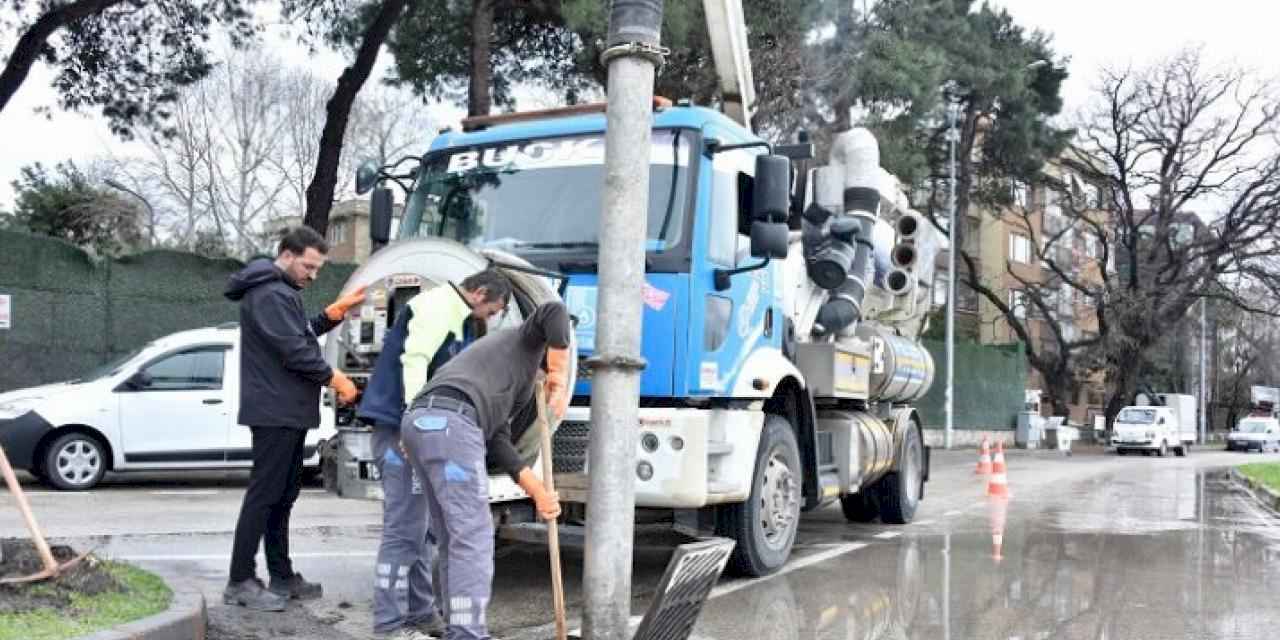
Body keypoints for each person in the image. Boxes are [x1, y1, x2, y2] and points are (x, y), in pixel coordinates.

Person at [400, 302, 573, 640]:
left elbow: (498, 441)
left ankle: (459, 627)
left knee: (454, 537)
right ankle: (467, 633)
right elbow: (553, 310)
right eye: (559, 348)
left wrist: (538, 491)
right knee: (473, 537)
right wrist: (559, 374)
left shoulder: (511, 380)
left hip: (420, 424)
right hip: (453, 424)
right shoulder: (525, 339)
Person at [356, 270, 512, 639]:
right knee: (404, 530)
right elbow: (415, 360)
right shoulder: (437, 306)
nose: (490, 317)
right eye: (493, 309)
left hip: (408, 429)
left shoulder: (456, 316)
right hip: (400, 431)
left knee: (420, 529)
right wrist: (414, 420)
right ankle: (390, 625)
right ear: (480, 293)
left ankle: (421, 613)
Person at [222, 226, 366, 612]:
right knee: (264, 495)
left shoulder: (281, 292)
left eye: (317, 268)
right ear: (286, 255)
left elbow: (297, 335)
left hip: (287, 410)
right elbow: (294, 352)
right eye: (308, 266)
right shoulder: (269, 293)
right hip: (274, 412)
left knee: (283, 496)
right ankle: (240, 580)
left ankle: (281, 576)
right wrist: (334, 378)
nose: (312, 275)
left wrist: (329, 318)